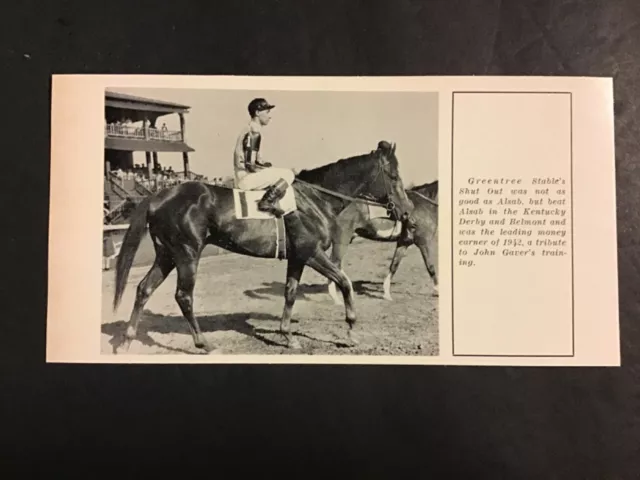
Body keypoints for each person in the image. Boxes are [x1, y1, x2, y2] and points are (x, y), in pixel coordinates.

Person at [233, 98, 295, 217]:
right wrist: (264, 168)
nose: (269, 116)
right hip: (246, 178)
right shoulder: (254, 131)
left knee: (276, 172)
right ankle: (266, 202)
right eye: (267, 112)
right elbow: (250, 165)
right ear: (257, 113)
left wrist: (264, 165)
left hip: (242, 175)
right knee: (288, 174)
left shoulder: (249, 129)